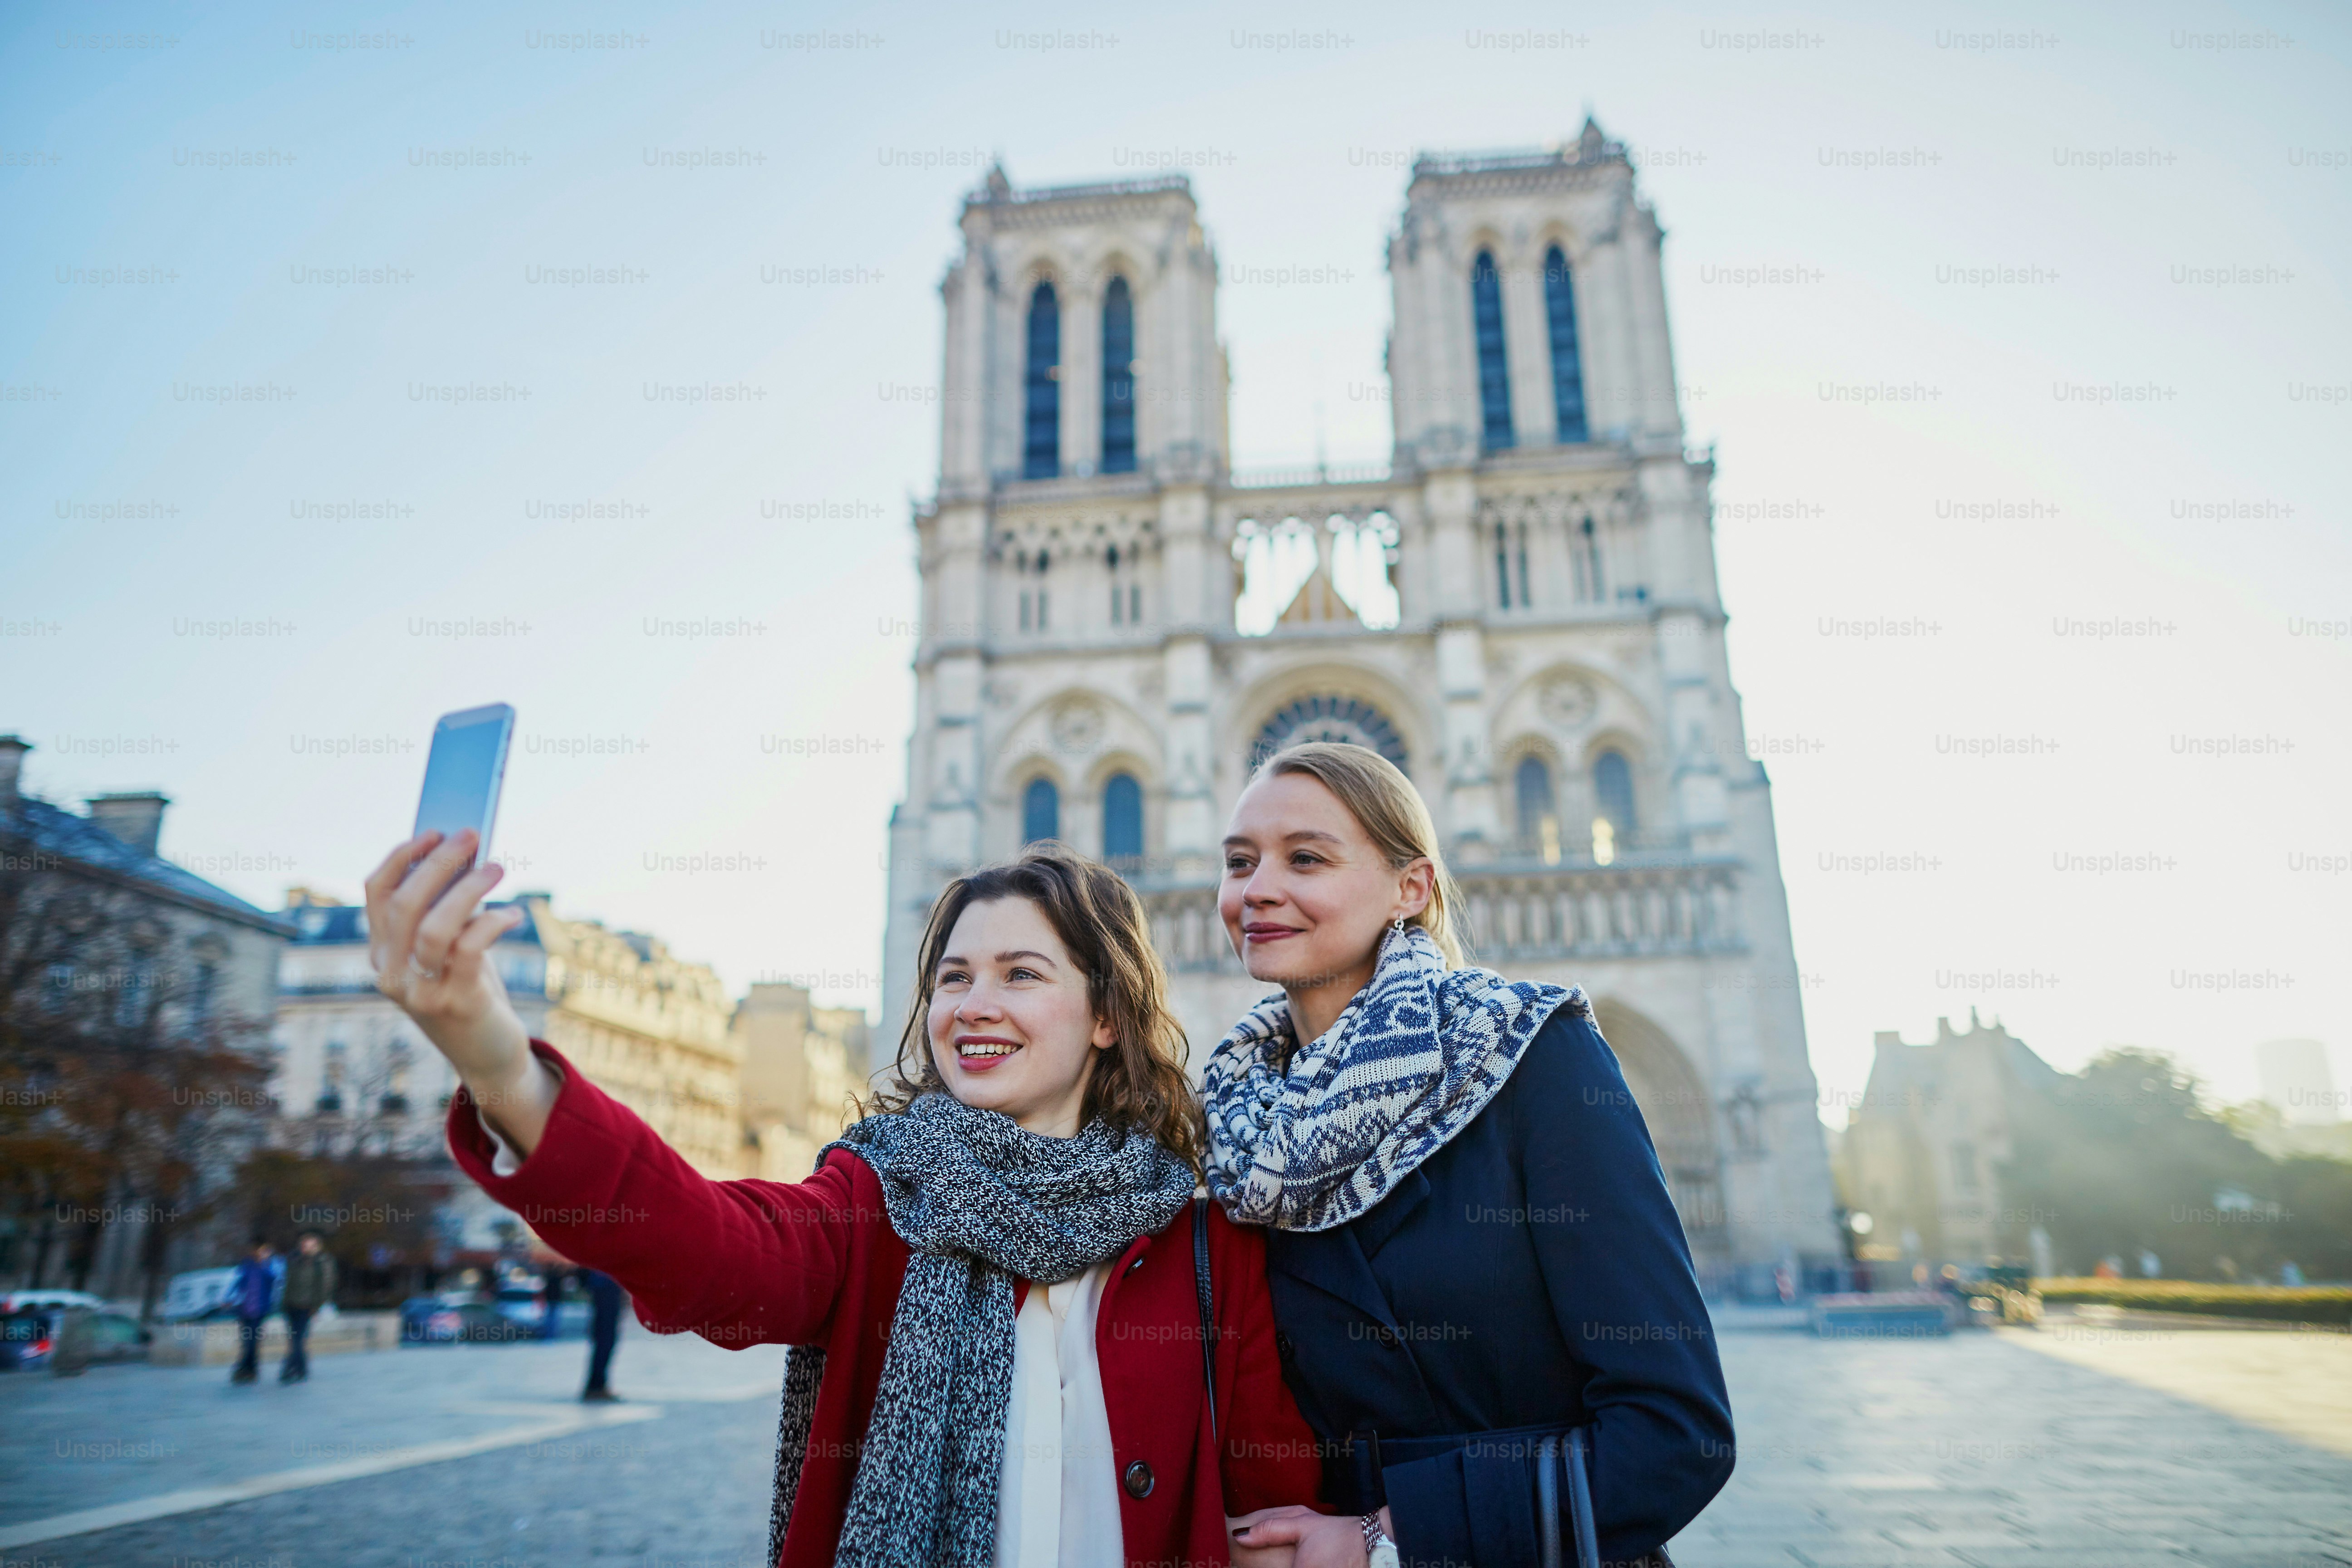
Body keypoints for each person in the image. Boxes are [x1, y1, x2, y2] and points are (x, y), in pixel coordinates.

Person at [365, 829, 1325, 1568]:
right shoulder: (875, 1201)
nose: (971, 1005)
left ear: (1108, 1015)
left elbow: (1275, 1508)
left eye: (1021, 975)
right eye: (953, 978)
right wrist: (493, 1056)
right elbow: (710, 1247)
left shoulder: (1206, 1243)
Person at [1209, 743, 1735, 1568]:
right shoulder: (1228, 1117)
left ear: (1409, 888)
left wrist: (1387, 1537)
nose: (1258, 888)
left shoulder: (1531, 1056)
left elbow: (1675, 1433)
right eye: (1239, 862)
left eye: (1304, 857)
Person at [278, 1231, 338, 1382]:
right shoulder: (295, 1259)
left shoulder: (321, 1262)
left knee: (298, 1339)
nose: (306, 1247)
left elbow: (325, 1286)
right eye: (304, 1244)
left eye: (310, 1245)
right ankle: (301, 1368)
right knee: (296, 1338)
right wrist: (284, 1303)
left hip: (307, 1306)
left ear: (317, 1246)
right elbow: (287, 1283)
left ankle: (290, 1368)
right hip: (291, 1305)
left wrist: (317, 1306)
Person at [228, 1239, 276, 1386]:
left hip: (259, 1311)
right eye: (260, 1251)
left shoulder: (268, 1268)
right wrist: (229, 1298)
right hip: (245, 1310)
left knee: (253, 1342)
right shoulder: (246, 1266)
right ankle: (247, 1369)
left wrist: (267, 1262)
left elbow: (274, 1280)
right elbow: (237, 1283)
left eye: (265, 1251)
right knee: (247, 1342)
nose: (262, 1254)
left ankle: (249, 1369)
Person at [579, 1268, 624, 1402]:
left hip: (605, 1287)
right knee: (606, 1340)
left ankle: (597, 1385)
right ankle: (596, 1386)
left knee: (604, 1340)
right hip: (607, 1288)